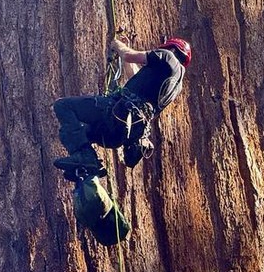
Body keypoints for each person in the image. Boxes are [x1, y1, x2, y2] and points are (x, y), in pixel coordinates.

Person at [53, 35, 191, 180]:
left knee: (63, 106)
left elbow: (129, 56)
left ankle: (86, 158)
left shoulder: (167, 56)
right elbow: (135, 77)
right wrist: (123, 52)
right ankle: (87, 167)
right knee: (80, 134)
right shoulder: (176, 84)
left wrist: (117, 45)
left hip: (115, 113)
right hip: (124, 133)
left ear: (172, 48)